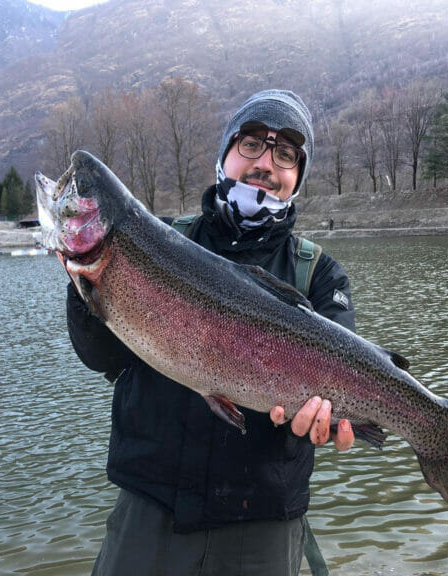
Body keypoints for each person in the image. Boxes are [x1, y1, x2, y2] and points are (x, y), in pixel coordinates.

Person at [67, 89, 357, 576]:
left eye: (285, 154)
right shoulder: (158, 242)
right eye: (251, 145)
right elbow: (101, 357)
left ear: (297, 178)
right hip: (150, 509)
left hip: (264, 521)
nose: (266, 163)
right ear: (223, 155)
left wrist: (333, 421)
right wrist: (87, 281)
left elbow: (348, 377)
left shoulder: (321, 276)